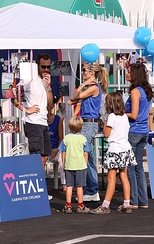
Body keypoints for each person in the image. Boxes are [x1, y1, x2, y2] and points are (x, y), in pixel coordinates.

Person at [13, 53, 54, 200]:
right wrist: (25, 109)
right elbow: (12, 94)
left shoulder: (45, 81)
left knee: (44, 157)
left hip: (43, 122)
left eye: (49, 67)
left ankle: (38, 188)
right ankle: (35, 191)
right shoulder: (28, 80)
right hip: (32, 122)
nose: (46, 69)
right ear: (37, 65)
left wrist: (48, 87)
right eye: (43, 66)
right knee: (36, 156)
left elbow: (50, 103)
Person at [90, 92, 137, 214]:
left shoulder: (111, 117)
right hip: (125, 148)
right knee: (124, 176)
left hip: (115, 149)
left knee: (111, 178)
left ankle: (105, 205)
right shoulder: (124, 117)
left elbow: (106, 134)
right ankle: (126, 203)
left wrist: (105, 123)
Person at [67, 62, 109, 201]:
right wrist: (80, 89)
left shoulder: (94, 88)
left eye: (85, 71)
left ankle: (91, 189)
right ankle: (91, 189)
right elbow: (73, 98)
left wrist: (82, 86)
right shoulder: (91, 88)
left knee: (84, 156)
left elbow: (74, 97)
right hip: (86, 123)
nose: (83, 73)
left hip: (89, 124)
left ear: (92, 74)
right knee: (88, 156)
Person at [125, 63, 153, 209]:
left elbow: (134, 115)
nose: (127, 74)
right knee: (139, 167)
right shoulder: (146, 91)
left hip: (134, 130)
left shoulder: (135, 91)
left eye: (129, 72)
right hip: (143, 131)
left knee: (131, 166)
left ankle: (134, 201)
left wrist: (120, 114)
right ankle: (143, 201)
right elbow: (146, 114)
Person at [59, 116, 90, 214]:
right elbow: (86, 153)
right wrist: (85, 164)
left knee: (69, 186)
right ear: (81, 127)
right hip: (80, 165)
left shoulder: (66, 138)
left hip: (69, 165)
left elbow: (63, 152)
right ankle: (80, 205)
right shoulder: (83, 139)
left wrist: (64, 164)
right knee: (80, 187)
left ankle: (68, 205)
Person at [47, 97, 65, 191]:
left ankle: (64, 184)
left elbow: (61, 139)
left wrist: (57, 149)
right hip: (44, 150)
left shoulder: (58, 119)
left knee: (63, 156)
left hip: (55, 149)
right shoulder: (39, 120)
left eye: (49, 104)